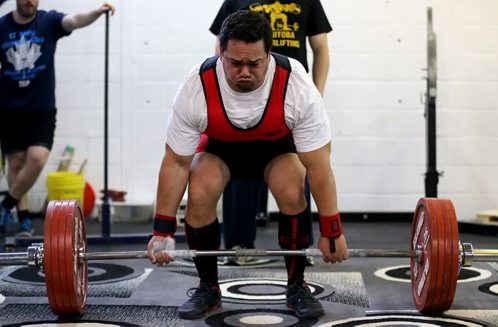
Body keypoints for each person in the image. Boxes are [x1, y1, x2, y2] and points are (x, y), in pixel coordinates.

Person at [147, 10, 348, 320]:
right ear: (220, 53)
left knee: (293, 190)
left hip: (276, 149)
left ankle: (296, 285)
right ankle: (208, 287)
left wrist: (332, 230)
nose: (244, 72)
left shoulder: (295, 83)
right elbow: (176, 163)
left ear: (268, 54)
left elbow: (319, 165)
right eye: (235, 63)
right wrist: (162, 229)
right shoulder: (196, 86)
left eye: (254, 64)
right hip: (221, 150)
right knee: (199, 193)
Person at [209, 0, 332, 264]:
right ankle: (238, 245)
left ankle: (300, 247)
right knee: (239, 169)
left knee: (297, 173)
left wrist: (317, 94)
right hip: (245, 97)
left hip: (288, 97)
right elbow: (222, 46)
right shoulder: (236, 1)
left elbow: (320, 49)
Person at [0, 0, 116, 238]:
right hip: (9, 108)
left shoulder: (48, 21)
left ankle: (5, 205)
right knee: (15, 163)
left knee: (37, 158)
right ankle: (23, 220)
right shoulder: (2, 26)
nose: (30, 2)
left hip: (41, 107)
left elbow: (74, 20)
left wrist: (98, 11)